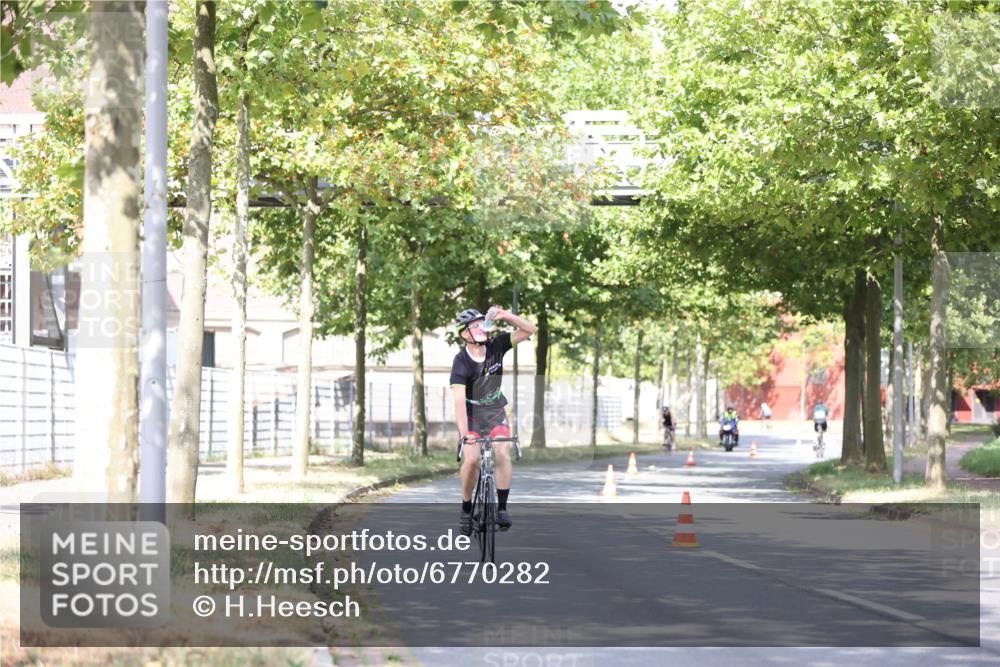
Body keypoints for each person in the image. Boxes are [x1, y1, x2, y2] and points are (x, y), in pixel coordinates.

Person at [451, 306, 536, 536]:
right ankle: (467, 509)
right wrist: (465, 433)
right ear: (464, 334)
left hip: (496, 410)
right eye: (474, 326)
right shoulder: (461, 362)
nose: (480, 328)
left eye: (482, 323)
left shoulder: (496, 345)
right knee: (471, 460)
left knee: (502, 451)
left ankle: (502, 508)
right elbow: (459, 403)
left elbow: (530, 329)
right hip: (471, 414)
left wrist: (506, 316)